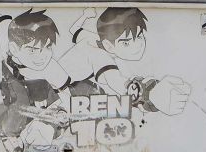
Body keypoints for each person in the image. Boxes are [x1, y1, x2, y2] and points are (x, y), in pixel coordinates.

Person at [0, 9, 68, 152]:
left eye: (47, 48)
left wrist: (59, 115)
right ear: (14, 48)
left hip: (38, 87)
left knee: (31, 108)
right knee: (19, 102)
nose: (42, 56)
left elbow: (65, 91)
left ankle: (10, 130)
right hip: (13, 80)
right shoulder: (10, 41)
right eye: (33, 50)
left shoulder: (52, 69)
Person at [60, 7, 191, 116]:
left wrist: (85, 16)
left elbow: (74, 30)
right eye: (126, 43)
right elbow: (116, 81)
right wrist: (148, 95)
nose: (137, 45)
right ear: (109, 46)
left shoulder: (92, 38)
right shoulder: (99, 56)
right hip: (56, 93)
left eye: (139, 36)